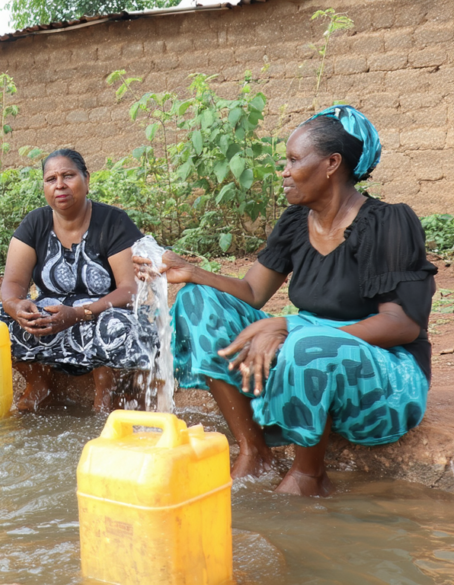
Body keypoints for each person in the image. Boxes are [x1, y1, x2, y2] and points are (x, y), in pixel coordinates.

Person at [139, 106, 436, 497]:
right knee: (197, 301)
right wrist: (192, 272)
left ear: (332, 164)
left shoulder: (388, 222)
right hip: (307, 353)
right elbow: (252, 292)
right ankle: (254, 449)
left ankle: (309, 477)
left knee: (306, 344)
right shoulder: (297, 221)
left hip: (385, 379)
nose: (283, 170)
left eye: (294, 160)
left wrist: (290, 327)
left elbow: (402, 323)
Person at [0, 149, 157, 413]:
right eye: (51, 179)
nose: (60, 185)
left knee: (120, 328)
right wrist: (16, 306)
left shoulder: (113, 222)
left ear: (86, 180)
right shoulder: (35, 223)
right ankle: (39, 381)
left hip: (103, 314)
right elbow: (13, 284)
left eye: (68, 176)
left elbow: (129, 289)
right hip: (52, 317)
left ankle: (106, 388)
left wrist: (79, 313)